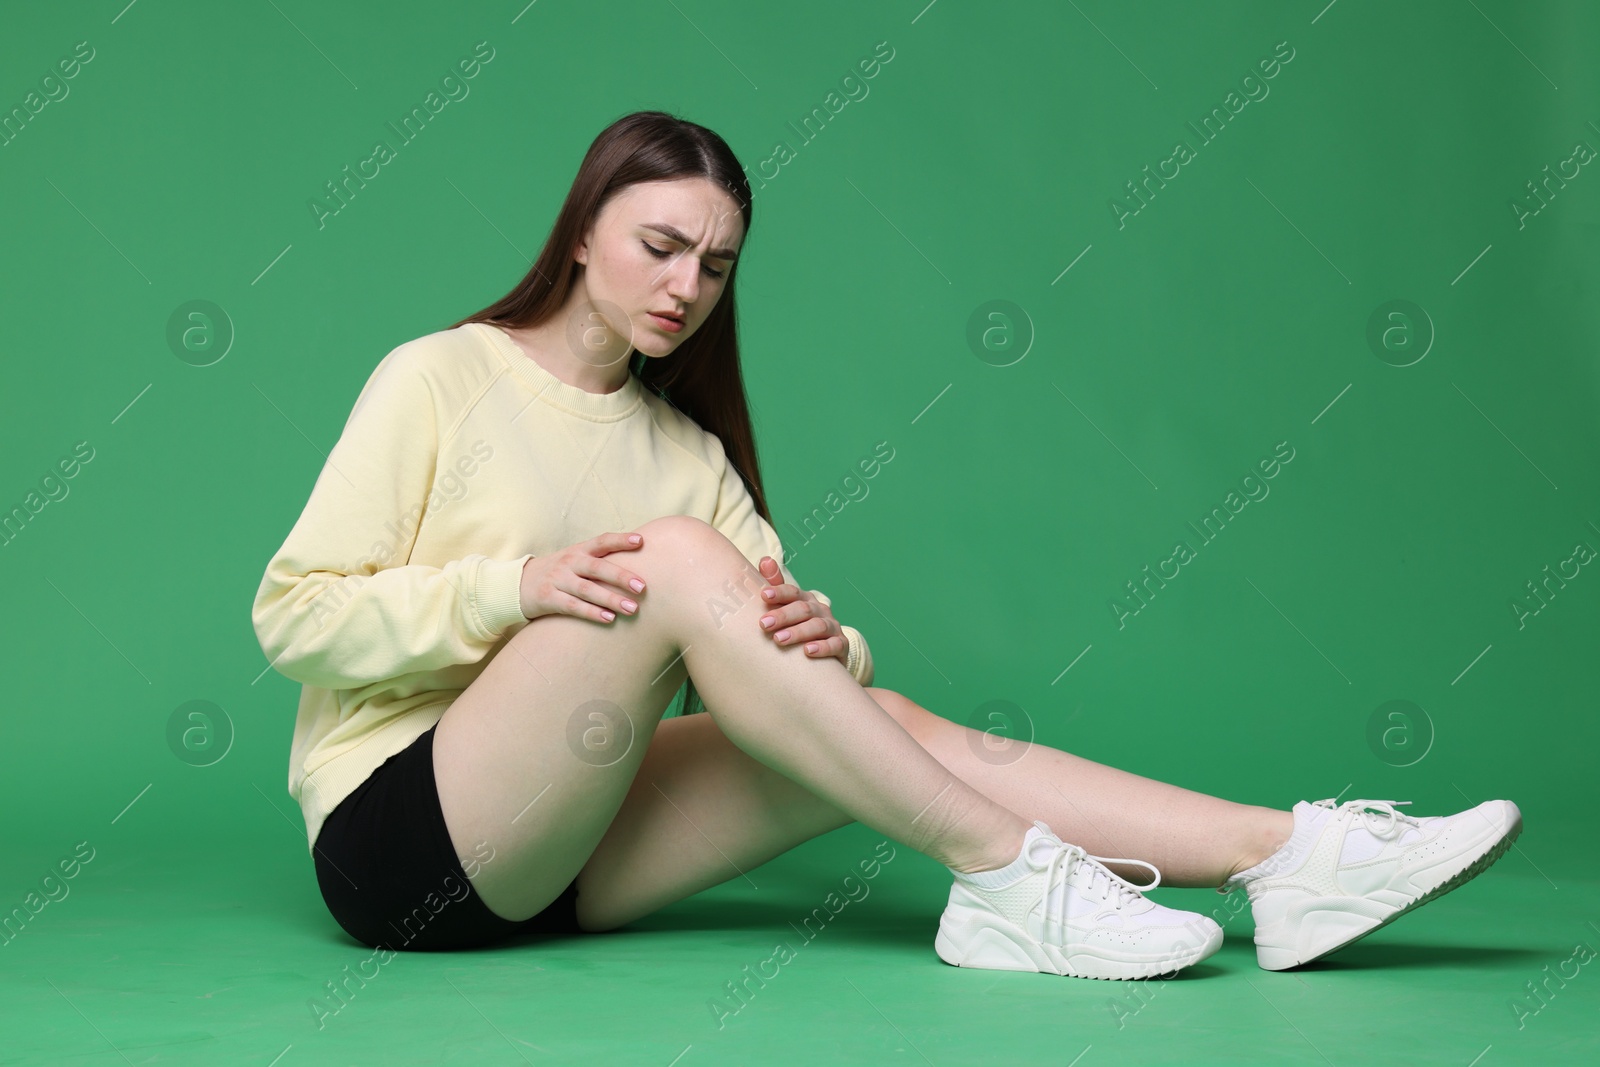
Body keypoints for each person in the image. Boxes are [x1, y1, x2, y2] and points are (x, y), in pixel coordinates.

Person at [251, 110, 1521, 979]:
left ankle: (1287, 856)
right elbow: (293, 615)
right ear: (583, 230)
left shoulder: (683, 449)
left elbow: (799, 661)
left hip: (567, 857)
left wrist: (831, 634)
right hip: (403, 843)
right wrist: (514, 588)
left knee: (883, 709)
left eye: (714, 263)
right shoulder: (440, 376)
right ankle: (1009, 874)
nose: (684, 284)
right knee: (685, 558)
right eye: (658, 244)